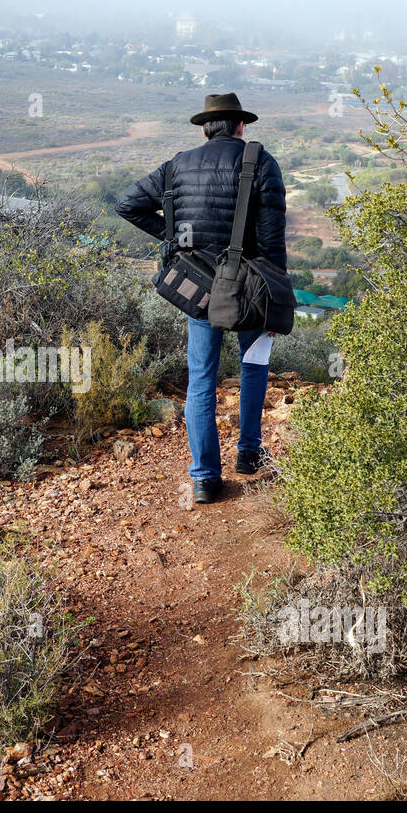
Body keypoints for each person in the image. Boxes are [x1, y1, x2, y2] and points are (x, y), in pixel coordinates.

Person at [115, 92, 288, 504]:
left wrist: (178, 240)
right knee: (253, 365)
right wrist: (275, 297)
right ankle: (248, 454)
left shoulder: (177, 166)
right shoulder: (260, 163)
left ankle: (206, 479)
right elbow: (271, 241)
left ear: (203, 128)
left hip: (200, 290)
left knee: (201, 380)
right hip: (250, 285)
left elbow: (127, 205)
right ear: (240, 126)